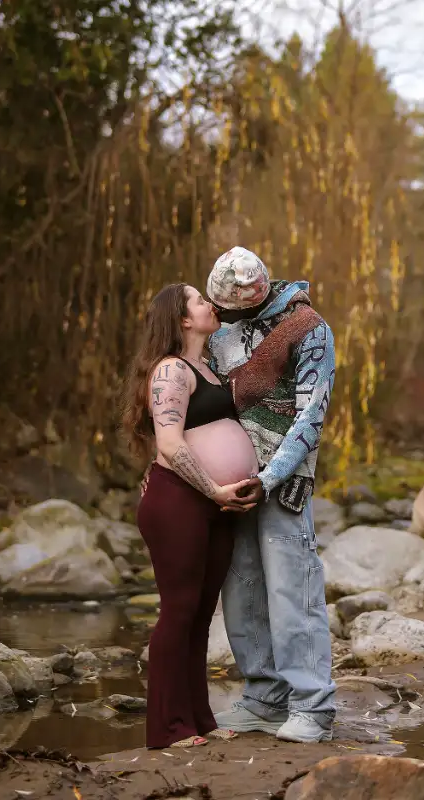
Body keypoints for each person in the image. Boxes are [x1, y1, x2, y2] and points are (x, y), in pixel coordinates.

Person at [206, 246, 337, 743]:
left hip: (284, 486)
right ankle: (263, 698)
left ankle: (313, 705)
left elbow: (311, 416)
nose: (223, 314)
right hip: (229, 485)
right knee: (241, 591)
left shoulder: (309, 329)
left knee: (292, 592)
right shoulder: (219, 333)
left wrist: (269, 477)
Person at [122, 282, 260, 749]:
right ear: (183, 319)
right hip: (180, 501)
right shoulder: (171, 371)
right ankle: (167, 729)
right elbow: (169, 442)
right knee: (178, 612)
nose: (209, 304)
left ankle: (199, 719)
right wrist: (214, 488)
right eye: (200, 300)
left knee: (200, 615)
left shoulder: (207, 367)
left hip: (212, 505)